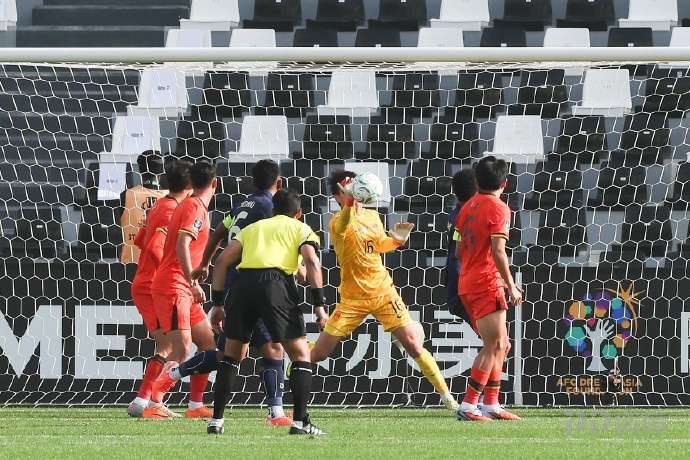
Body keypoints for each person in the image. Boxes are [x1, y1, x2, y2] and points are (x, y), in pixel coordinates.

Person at [309, 171, 459, 412]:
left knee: (413, 344)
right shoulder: (336, 222)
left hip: (383, 291)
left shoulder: (373, 216)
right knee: (319, 353)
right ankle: (296, 357)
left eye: (355, 188)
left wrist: (397, 240)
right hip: (352, 299)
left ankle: (448, 397)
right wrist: (349, 202)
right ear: (338, 196)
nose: (353, 193)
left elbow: (379, 246)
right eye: (347, 190)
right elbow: (345, 222)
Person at [166, 160, 292, 426]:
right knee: (270, 348)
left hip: (235, 284)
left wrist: (205, 264)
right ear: (278, 183)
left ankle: (175, 373)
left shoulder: (241, 205)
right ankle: (276, 412)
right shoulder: (271, 208)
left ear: (252, 182)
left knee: (232, 353)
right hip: (258, 283)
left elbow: (219, 233)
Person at [206, 189, 327, 436]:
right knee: (300, 354)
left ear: (273, 210)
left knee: (231, 355)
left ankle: (216, 421)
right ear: (298, 213)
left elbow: (221, 261)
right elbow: (312, 261)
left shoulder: (253, 228)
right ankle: (301, 422)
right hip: (276, 285)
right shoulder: (300, 228)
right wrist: (319, 304)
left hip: (242, 286)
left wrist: (217, 304)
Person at [455, 156, 522, 422]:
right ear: (504, 183)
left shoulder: (466, 207)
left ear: (477, 180)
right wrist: (511, 285)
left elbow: (458, 249)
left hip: (467, 281)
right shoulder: (499, 208)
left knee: (501, 344)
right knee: (493, 344)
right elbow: (498, 250)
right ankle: (468, 405)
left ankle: (491, 403)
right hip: (486, 282)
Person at [149, 161, 218, 418]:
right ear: (215, 183)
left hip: (182, 287)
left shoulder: (191, 205)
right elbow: (182, 243)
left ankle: (195, 405)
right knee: (182, 347)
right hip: (174, 285)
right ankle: (154, 403)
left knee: (208, 344)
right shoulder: (194, 207)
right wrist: (193, 281)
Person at [127, 159, 192, 419]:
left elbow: (140, 240)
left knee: (168, 345)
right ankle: (149, 400)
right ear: (190, 185)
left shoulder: (159, 206)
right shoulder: (171, 211)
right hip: (156, 284)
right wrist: (168, 269)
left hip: (146, 282)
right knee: (174, 346)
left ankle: (145, 399)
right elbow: (154, 246)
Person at [120, 151, 168, 264]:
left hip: (132, 262)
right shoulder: (171, 197)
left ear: (140, 170)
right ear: (162, 171)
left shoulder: (127, 195)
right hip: (161, 263)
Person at [446, 169, 477, 324]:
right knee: (494, 336)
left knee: (493, 337)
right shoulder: (464, 219)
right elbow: (460, 253)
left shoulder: (458, 214)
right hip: (465, 287)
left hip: (458, 284)